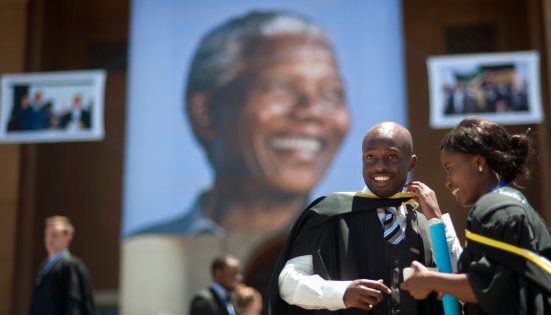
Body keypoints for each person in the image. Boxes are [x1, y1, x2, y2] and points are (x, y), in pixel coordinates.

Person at [132, 10, 350, 236]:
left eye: (332, 93)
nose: (312, 111)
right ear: (205, 113)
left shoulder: (357, 251)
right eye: (281, 88)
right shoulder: (146, 249)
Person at [266, 121, 462, 314]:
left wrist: (437, 220)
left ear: (411, 163)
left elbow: (457, 281)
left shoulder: (426, 223)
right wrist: (342, 293)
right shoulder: (330, 214)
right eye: (370, 157)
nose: (379, 166)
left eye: (392, 157)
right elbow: (289, 282)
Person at [400, 117, 551, 314]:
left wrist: (429, 281)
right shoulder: (513, 202)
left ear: (478, 162)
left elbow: (489, 286)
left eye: (450, 169)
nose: (448, 182)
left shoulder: (493, 209)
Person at [29, 215, 96, 315]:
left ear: (68, 236)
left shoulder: (70, 266)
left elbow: (73, 303)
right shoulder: (45, 266)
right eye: (47, 234)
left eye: (55, 234)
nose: (50, 238)